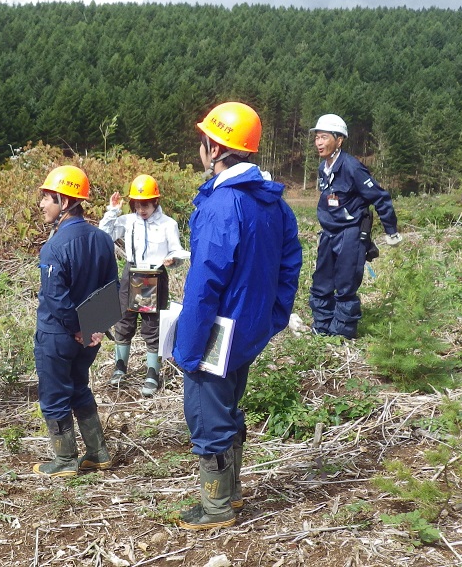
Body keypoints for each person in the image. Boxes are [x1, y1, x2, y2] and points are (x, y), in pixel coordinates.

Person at [172, 102, 302, 529]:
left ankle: (216, 507)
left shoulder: (222, 204)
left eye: (203, 141)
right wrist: (274, 318)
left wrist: (187, 348)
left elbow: (204, 282)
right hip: (247, 330)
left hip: (215, 334)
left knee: (208, 414)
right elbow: (289, 264)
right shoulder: (272, 202)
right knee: (228, 406)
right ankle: (233, 492)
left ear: (215, 146)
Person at [32, 165, 118, 478]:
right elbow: (112, 288)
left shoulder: (54, 247)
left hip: (59, 335)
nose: (42, 204)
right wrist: (95, 329)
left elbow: (56, 300)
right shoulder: (103, 239)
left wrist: (79, 330)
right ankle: (97, 453)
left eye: (47, 198)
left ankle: (65, 461)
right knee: (79, 386)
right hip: (89, 335)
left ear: (65, 203)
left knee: (55, 396)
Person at [309, 113, 401, 338]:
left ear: (339, 140)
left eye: (324, 137)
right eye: (317, 138)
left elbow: (380, 197)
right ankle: (322, 328)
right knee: (321, 282)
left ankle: (341, 334)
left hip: (350, 233)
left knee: (345, 284)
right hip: (329, 232)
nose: (319, 142)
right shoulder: (324, 167)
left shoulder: (352, 167)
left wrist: (391, 231)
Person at [98, 174, 189, 397]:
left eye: (146, 204)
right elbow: (104, 234)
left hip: (154, 274)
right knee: (123, 320)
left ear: (156, 201)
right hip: (132, 272)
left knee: (152, 325)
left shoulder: (168, 224)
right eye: (137, 205)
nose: (142, 209)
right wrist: (112, 211)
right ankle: (120, 367)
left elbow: (176, 251)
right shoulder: (128, 221)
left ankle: (152, 373)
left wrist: (173, 260)